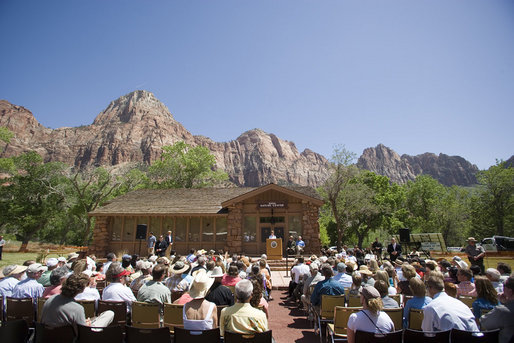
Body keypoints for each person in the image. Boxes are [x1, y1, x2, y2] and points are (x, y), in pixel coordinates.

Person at [41, 273, 114, 334]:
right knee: (109, 314)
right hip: (70, 337)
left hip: (48, 337)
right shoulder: (77, 309)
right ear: (81, 290)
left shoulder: (50, 300)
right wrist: (86, 325)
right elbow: (82, 333)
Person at [480, 275, 514, 343]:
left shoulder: (502, 311)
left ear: (510, 290)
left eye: (504, 286)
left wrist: (503, 305)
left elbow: (484, 323)